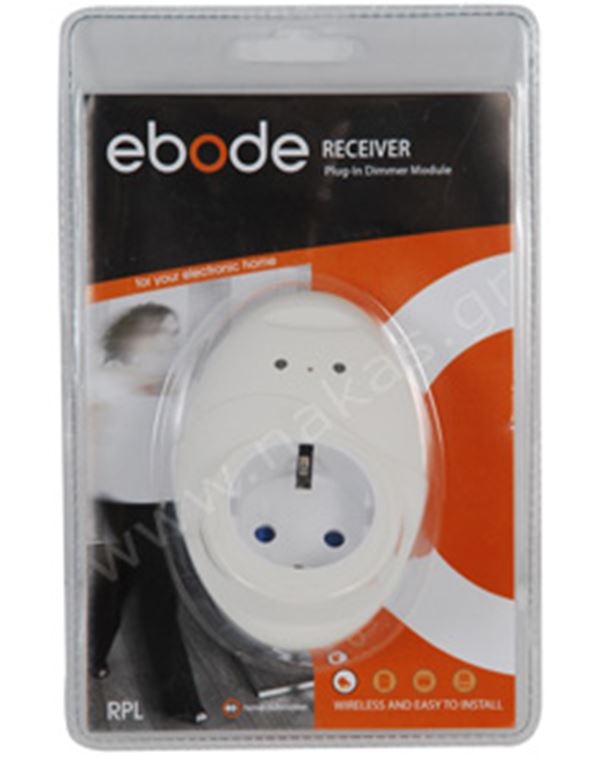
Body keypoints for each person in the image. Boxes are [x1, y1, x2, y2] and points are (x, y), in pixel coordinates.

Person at [88, 303, 206, 723]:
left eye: (173, 332)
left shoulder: (174, 384)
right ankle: (181, 701)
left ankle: (91, 651)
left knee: (120, 579)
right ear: (134, 334)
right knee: (158, 594)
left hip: (163, 498)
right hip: (124, 501)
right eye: (160, 331)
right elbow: (90, 444)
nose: (170, 340)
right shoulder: (106, 382)